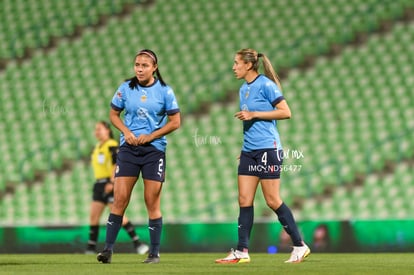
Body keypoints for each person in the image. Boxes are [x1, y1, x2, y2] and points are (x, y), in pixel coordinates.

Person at [215, 48, 310, 264]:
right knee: (244, 200)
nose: (233, 67)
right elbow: (249, 124)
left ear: (249, 65)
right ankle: (242, 251)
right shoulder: (243, 89)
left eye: (236, 63)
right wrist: (245, 148)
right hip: (250, 151)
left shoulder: (266, 85)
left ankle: (299, 245)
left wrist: (255, 113)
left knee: (272, 200)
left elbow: (286, 112)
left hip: (269, 149)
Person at [97, 49, 180, 264]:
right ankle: (107, 250)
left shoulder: (165, 91)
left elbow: (175, 122)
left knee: (151, 201)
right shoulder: (126, 88)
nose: (140, 69)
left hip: (154, 151)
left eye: (144, 65)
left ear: (154, 68)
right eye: (137, 65)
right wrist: (126, 132)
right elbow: (113, 114)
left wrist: (151, 136)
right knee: (120, 200)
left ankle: (154, 253)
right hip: (128, 150)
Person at [86, 121, 149, 255]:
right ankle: (90, 249)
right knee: (93, 217)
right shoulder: (97, 147)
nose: (97, 132)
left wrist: (111, 182)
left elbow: (117, 164)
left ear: (107, 131)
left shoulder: (112, 146)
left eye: (99, 129)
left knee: (118, 215)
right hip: (99, 184)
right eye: (95, 129)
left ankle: (138, 243)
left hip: (110, 183)